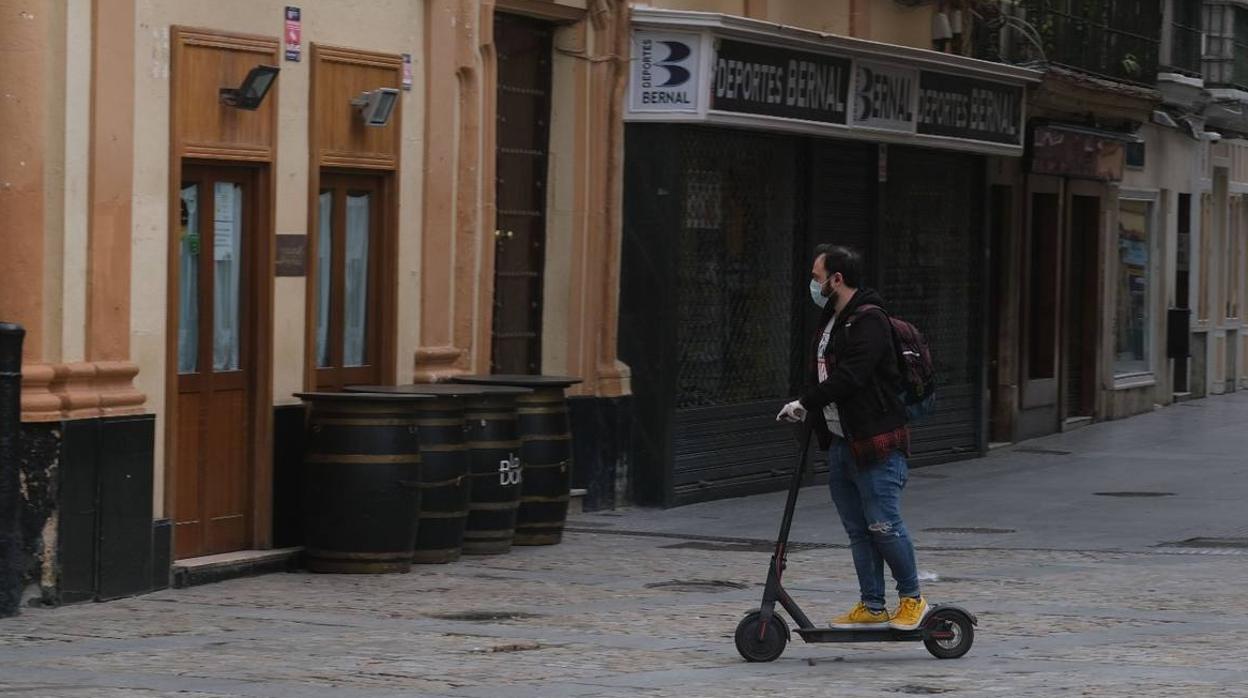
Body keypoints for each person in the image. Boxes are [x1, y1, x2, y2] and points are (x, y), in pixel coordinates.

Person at [775, 244, 928, 631]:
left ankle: (912, 599)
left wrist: (805, 402)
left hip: (877, 442)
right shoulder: (832, 319)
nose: (812, 283)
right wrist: (810, 408)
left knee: (884, 525)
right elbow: (823, 374)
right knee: (858, 529)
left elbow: (852, 377)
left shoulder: (869, 319)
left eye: (815, 276)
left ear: (836, 279)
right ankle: (873, 604)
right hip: (844, 442)